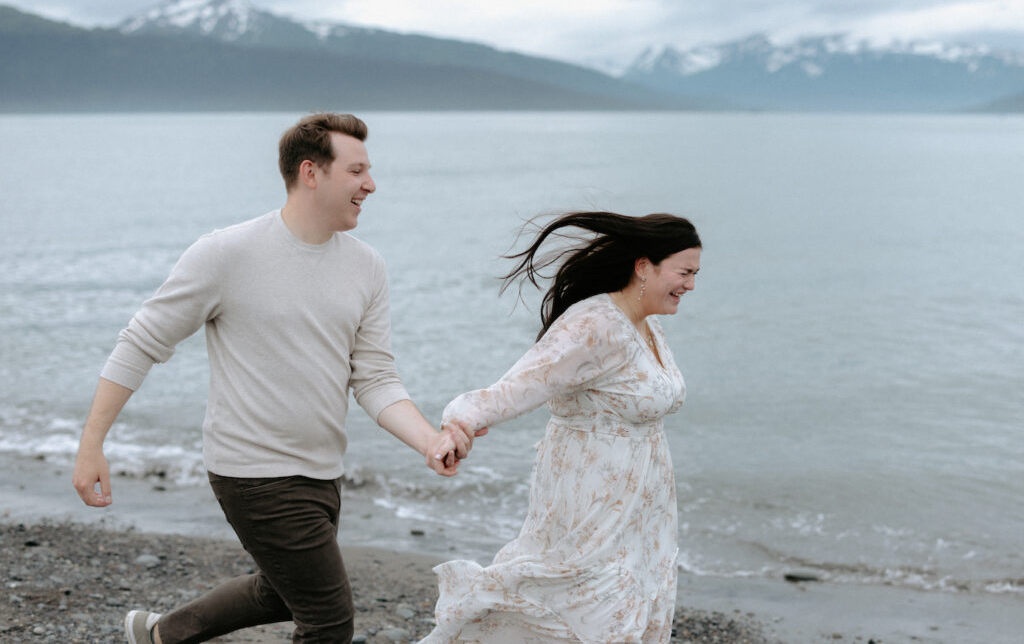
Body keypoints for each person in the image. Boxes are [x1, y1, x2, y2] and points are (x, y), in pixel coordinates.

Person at [71, 112, 475, 644]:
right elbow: (142, 342)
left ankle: (160, 634)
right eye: (357, 171)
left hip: (322, 470)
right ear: (311, 173)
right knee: (328, 621)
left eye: (369, 171)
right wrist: (92, 443)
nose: (371, 185)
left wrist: (429, 440)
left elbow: (374, 377)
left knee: (280, 590)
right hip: (251, 470)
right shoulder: (226, 253)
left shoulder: (367, 267)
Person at [420, 211, 702, 644]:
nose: (691, 285)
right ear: (644, 267)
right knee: (588, 611)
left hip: (644, 509)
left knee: (630, 611)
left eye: (695, 273)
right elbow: (520, 385)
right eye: (684, 272)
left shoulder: (648, 324)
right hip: (591, 503)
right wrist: (460, 422)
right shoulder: (595, 325)